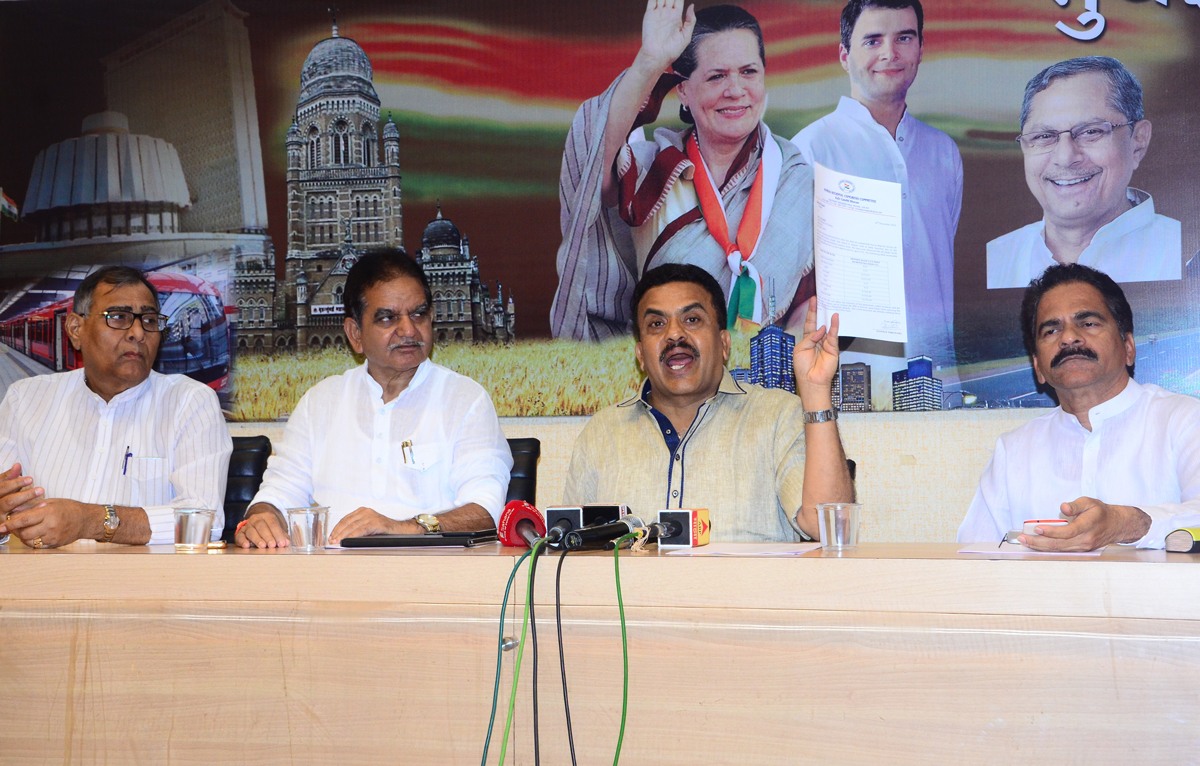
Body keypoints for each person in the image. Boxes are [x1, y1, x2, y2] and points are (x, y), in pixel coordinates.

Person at [551, 1, 815, 341]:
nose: (735, 90)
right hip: (662, 378)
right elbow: (590, 165)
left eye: (749, 72)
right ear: (684, 91)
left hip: (764, 383)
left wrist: (770, 375)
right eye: (717, 76)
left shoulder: (795, 177)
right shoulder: (657, 167)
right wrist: (649, 62)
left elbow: (811, 303)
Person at [236, 250, 512, 549]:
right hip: (331, 580)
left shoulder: (465, 400)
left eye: (418, 314)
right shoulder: (320, 402)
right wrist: (263, 516)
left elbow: (486, 511)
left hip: (433, 577)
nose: (408, 330)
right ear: (355, 333)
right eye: (388, 318)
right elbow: (279, 493)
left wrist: (405, 527)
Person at [563, 264, 855, 542]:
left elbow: (827, 528)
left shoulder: (778, 416)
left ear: (725, 343)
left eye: (692, 320)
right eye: (656, 324)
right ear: (640, 354)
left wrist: (815, 393)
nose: (674, 334)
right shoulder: (602, 432)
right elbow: (574, 552)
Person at [957, 264, 1200, 550]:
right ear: (1038, 367)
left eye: (1088, 323)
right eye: (1051, 330)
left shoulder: (1184, 419)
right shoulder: (1013, 450)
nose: (1068, 337)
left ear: (1129, 347)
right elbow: (975, 558)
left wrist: (1128, 524)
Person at [792, 0, 961, 404]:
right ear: (844, 56)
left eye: (904, 37)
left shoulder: (944, 152)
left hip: (940, 384)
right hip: (849, 390)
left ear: (921, 48)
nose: (890, 53)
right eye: (873, 40)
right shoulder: (809, 150)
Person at [0, 265, 231, 548]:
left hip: (147, 586)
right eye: (118, 317)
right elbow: (6, 507)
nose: (138, 332)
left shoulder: (190, 402)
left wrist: (91, 520)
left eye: (148, 320)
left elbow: (204, 522)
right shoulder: (24, 400)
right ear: (76, 329)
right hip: (42, 586)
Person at [987, 56, 1181, 289]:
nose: (1065, 158)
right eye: (1044, 136)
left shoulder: (1185, 250)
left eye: (1090, 131)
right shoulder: (995, 258)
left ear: (1138, 141)